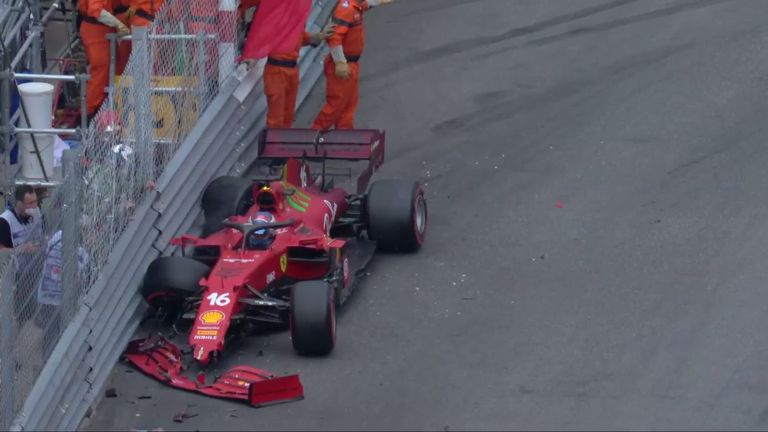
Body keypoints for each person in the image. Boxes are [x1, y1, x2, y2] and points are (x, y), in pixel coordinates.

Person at [311, 0, 394, 131]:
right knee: (336, 105)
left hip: (350, 65)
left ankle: (344, 137)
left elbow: (367, 4)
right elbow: (334, 37)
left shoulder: (356, 6)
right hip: (342, 66)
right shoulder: (346, 9)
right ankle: (312, 136)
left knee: (348, 105)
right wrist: (340, 62)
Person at [243, 22, 334, 128]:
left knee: (288, 116)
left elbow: (303, 37)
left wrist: (320, 36)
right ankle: (275, 143)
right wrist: (251, 58)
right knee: (276, 119)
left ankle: (280, 142)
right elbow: (263, 40)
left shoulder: (295, 19)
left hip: (291, 71)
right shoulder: (279, 19)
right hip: (276, 72)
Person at [78, 0, 132, 119]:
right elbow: (96, 10)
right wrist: (119, 24)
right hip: (95, 28)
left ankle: (105, 109)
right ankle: (88, 114)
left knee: (115, 69)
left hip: (105, 26)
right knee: (101, 71)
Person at [0, 185, 45, 325]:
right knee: (17, 315)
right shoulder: (5, 221)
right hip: (16, 277)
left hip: (34, 272)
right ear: (19, 204)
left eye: (35, 201)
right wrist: (23, 248)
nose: (34, 206)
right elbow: (2, 251)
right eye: (30, 203)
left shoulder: (36, 214)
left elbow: (44, 235)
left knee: (31, 312)